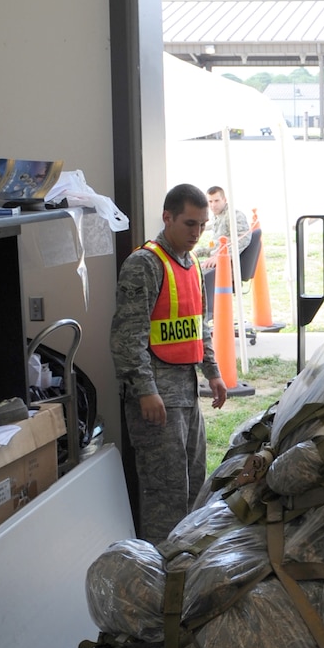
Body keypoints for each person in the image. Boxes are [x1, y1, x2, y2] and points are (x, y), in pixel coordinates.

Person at [110, 182, 228, 544]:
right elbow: (127, 338)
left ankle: (186, 566)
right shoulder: (144, 264)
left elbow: (199, 327)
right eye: (190, 224)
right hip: (157, 399)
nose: (197, 233)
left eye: (202, 225)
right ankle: (159, 573)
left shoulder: (190, 263)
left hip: (186, 395)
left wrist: (214, 374)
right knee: (164, 495)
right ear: (167, 218)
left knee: (192, 484)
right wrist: (145, 391)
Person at [200, 183, 251, 316]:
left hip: (228, 265)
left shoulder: (234, 215)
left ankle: (206, 315)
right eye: (210, 201)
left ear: (225, 200)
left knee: (194, 274)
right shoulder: (217, 217)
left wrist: (221, 257)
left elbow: (244, 238)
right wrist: (197, 252)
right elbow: (215, 245)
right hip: (217, 261)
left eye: (216, 200)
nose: (213, 205)